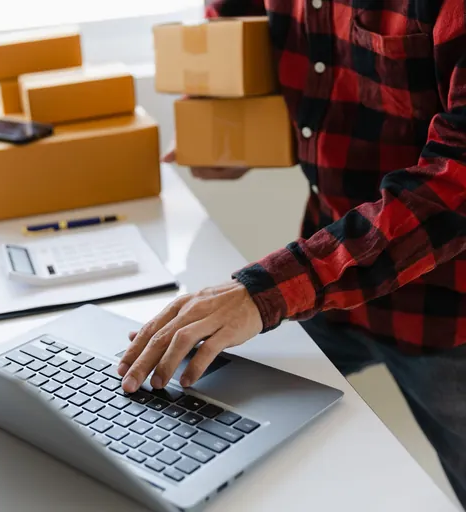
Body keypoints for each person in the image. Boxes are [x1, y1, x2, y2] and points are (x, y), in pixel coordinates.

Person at [118, 0, 466, 506]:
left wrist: (264, 293)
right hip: (328, 284)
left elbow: (454, 186)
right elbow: (233, 23)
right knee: (185, 416)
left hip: (445, 311)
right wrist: (228, 127)